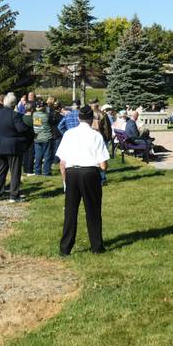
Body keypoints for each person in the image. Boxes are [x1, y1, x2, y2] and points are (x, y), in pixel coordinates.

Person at [58, 105, 109, 255]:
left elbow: (62, 162)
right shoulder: (96, 136)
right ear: (91, 118)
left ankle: (65, 247)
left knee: (70, 211)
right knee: (93, 210)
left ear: (79, 118)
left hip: (72, 172)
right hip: (90, 172)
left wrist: (65, 182)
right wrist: (102, 172)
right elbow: (103, 164)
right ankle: (96, 246)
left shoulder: (68, 134)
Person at [0, 92, 33, 203]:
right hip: (13, 146)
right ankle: (14, 196)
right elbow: (22, 129)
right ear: (14, 105)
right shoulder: (15, 115)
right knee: (15, 171)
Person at [32, 99, 53, 176]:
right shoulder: (46, 115)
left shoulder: (34, 115)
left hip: (37, 137)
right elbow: (51, 119)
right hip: (46, 137)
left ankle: (37, 171)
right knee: (47, 155)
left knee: (38, 155)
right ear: (43, 107)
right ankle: (46, 171)